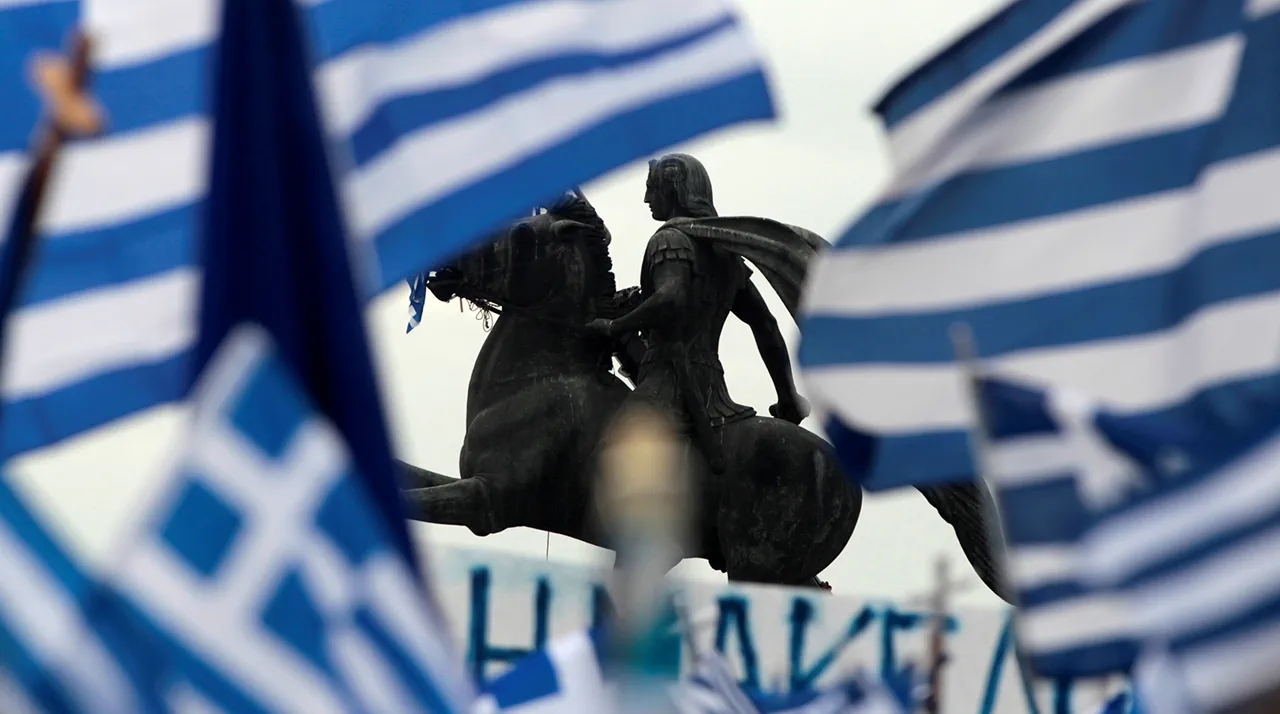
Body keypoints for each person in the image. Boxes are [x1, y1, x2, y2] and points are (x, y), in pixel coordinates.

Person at [586, 154, 808, 472]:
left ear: (674, 188)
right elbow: (766, 325)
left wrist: (613, 326)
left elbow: (670, 298)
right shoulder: (725, 254)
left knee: (603, 465)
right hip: (713, 388)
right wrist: (787, 396)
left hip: (669, 383)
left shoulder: (669, 240)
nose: (647, 198)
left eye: (652, 188)